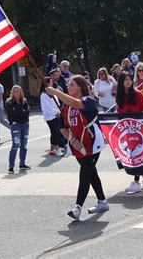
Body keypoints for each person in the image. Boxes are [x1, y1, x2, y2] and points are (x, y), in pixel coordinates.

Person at [46, 76, 108, 220]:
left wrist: (55, 92)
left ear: (80, 86)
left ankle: (77, 208)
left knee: (85, 174)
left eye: (72, 85)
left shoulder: (88, 101)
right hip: (78, 145)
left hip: (91, 143)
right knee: (91, 173)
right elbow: (62, 127)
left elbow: (75, 102)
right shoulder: (65, 107)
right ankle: (102, 201)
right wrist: (71, 140)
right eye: (68, 85)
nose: (69, 87)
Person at [116, 72, 143, 194]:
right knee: (134, 155)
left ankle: (136, 182)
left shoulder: (138, 94)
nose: (128, 81)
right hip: (127, 131)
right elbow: (119, 113)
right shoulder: (119, 96)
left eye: (130, 79)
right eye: (125, 79)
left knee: (137, 155)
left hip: (139, 130)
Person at [4, 85, 31, 174]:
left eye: (18, 91)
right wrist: (20, 113)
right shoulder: (9, 102)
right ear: (12, 92)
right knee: (15, 145)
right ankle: (11, 166)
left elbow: (27, 113)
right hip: (15, 125)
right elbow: (11, 114)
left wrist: (19, 113)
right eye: (14, 91)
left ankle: (22, 163)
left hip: (25, 124)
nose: (16, 93)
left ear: (20, 92)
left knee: (24, 144)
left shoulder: (24, 101)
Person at [40, 77, 66, 157]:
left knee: (56, 131)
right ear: (47, 83)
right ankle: (57, 148)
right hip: (50, 116)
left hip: (57, 115)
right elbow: (47, 107)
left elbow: (56, 103)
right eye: (50, 82)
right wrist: (55, 112)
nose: (52, 83)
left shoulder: (53, 92)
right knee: (55, 131)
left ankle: (53, 148)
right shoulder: (43, 95)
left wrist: (59, 111)